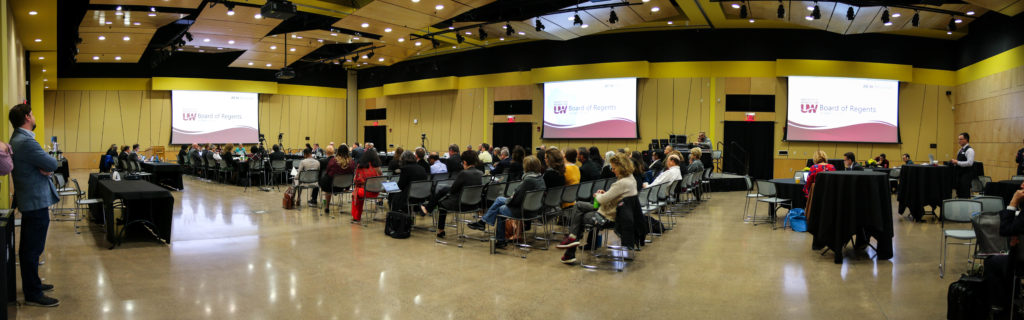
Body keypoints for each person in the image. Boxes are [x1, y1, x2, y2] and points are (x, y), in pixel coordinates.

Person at [8, 104, 60, 307]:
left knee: (32, 247)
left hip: (32, 200)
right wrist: (46, 167)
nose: (35, 116)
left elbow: (46, 165)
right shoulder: (26, 142)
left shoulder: (20, 139)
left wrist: (45, 167)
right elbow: (53, 164)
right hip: (35, 201)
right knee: (32, 249)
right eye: (33, 113)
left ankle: (34, 284)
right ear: (28, 117)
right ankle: (33, 293)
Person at [556, 153, 637, 264]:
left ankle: (571, 244)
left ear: (621, 167)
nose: (612, 170)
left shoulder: (621, 183)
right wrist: (605, 194)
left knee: (580, 215)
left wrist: (598, 195)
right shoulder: (631, 179)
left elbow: (601, 200)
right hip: (614, 211)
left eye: (614, 168)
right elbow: (615, 196)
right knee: (579, 206)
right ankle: (571, 243)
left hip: (608, 216)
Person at [468, 156, 546, 248]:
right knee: (499, 199)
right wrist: (512, 197)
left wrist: (510, 199)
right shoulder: (540, 178)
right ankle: (483, 222)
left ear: (527, 167)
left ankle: (500, 240)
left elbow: (516, 200)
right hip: (534, 208)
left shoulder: (528, 180)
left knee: (501, 209)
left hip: (524, 210)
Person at [421, 150, 482, 238]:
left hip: (461, 204)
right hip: (475, 204)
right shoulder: (480, 173)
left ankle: (440, 229)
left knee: (442, 202)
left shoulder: (463, 173)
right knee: (443, 190)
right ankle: (428, 209)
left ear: (464, 162)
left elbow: (453, 190)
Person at [315, 146, 353, 214]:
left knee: (327, 183)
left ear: (337, 152)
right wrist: (347, 187)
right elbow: (352, 175)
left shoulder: (333, 161)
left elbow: (328, 172)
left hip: (331, 186)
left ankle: (327, 207)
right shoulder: (351, 162)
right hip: (344, 187)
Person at [351, 148, 382, 223]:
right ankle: (356, 216)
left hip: (366, 191)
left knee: (356, 192)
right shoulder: (378, 168)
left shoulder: (361, 167)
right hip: (376, 192)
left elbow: (356, 180)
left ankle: (356, 217)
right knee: (358, 191)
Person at [953, 132, 976, 198]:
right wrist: (954, 163)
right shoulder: (960, 150)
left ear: (966, 140)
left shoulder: (970, 150)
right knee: (959, 194)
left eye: (961, 139)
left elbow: (970, 163)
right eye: (958, 139)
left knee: (964, 194)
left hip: (966, 176)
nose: (959, 141)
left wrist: (957, 162)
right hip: (959, 175)